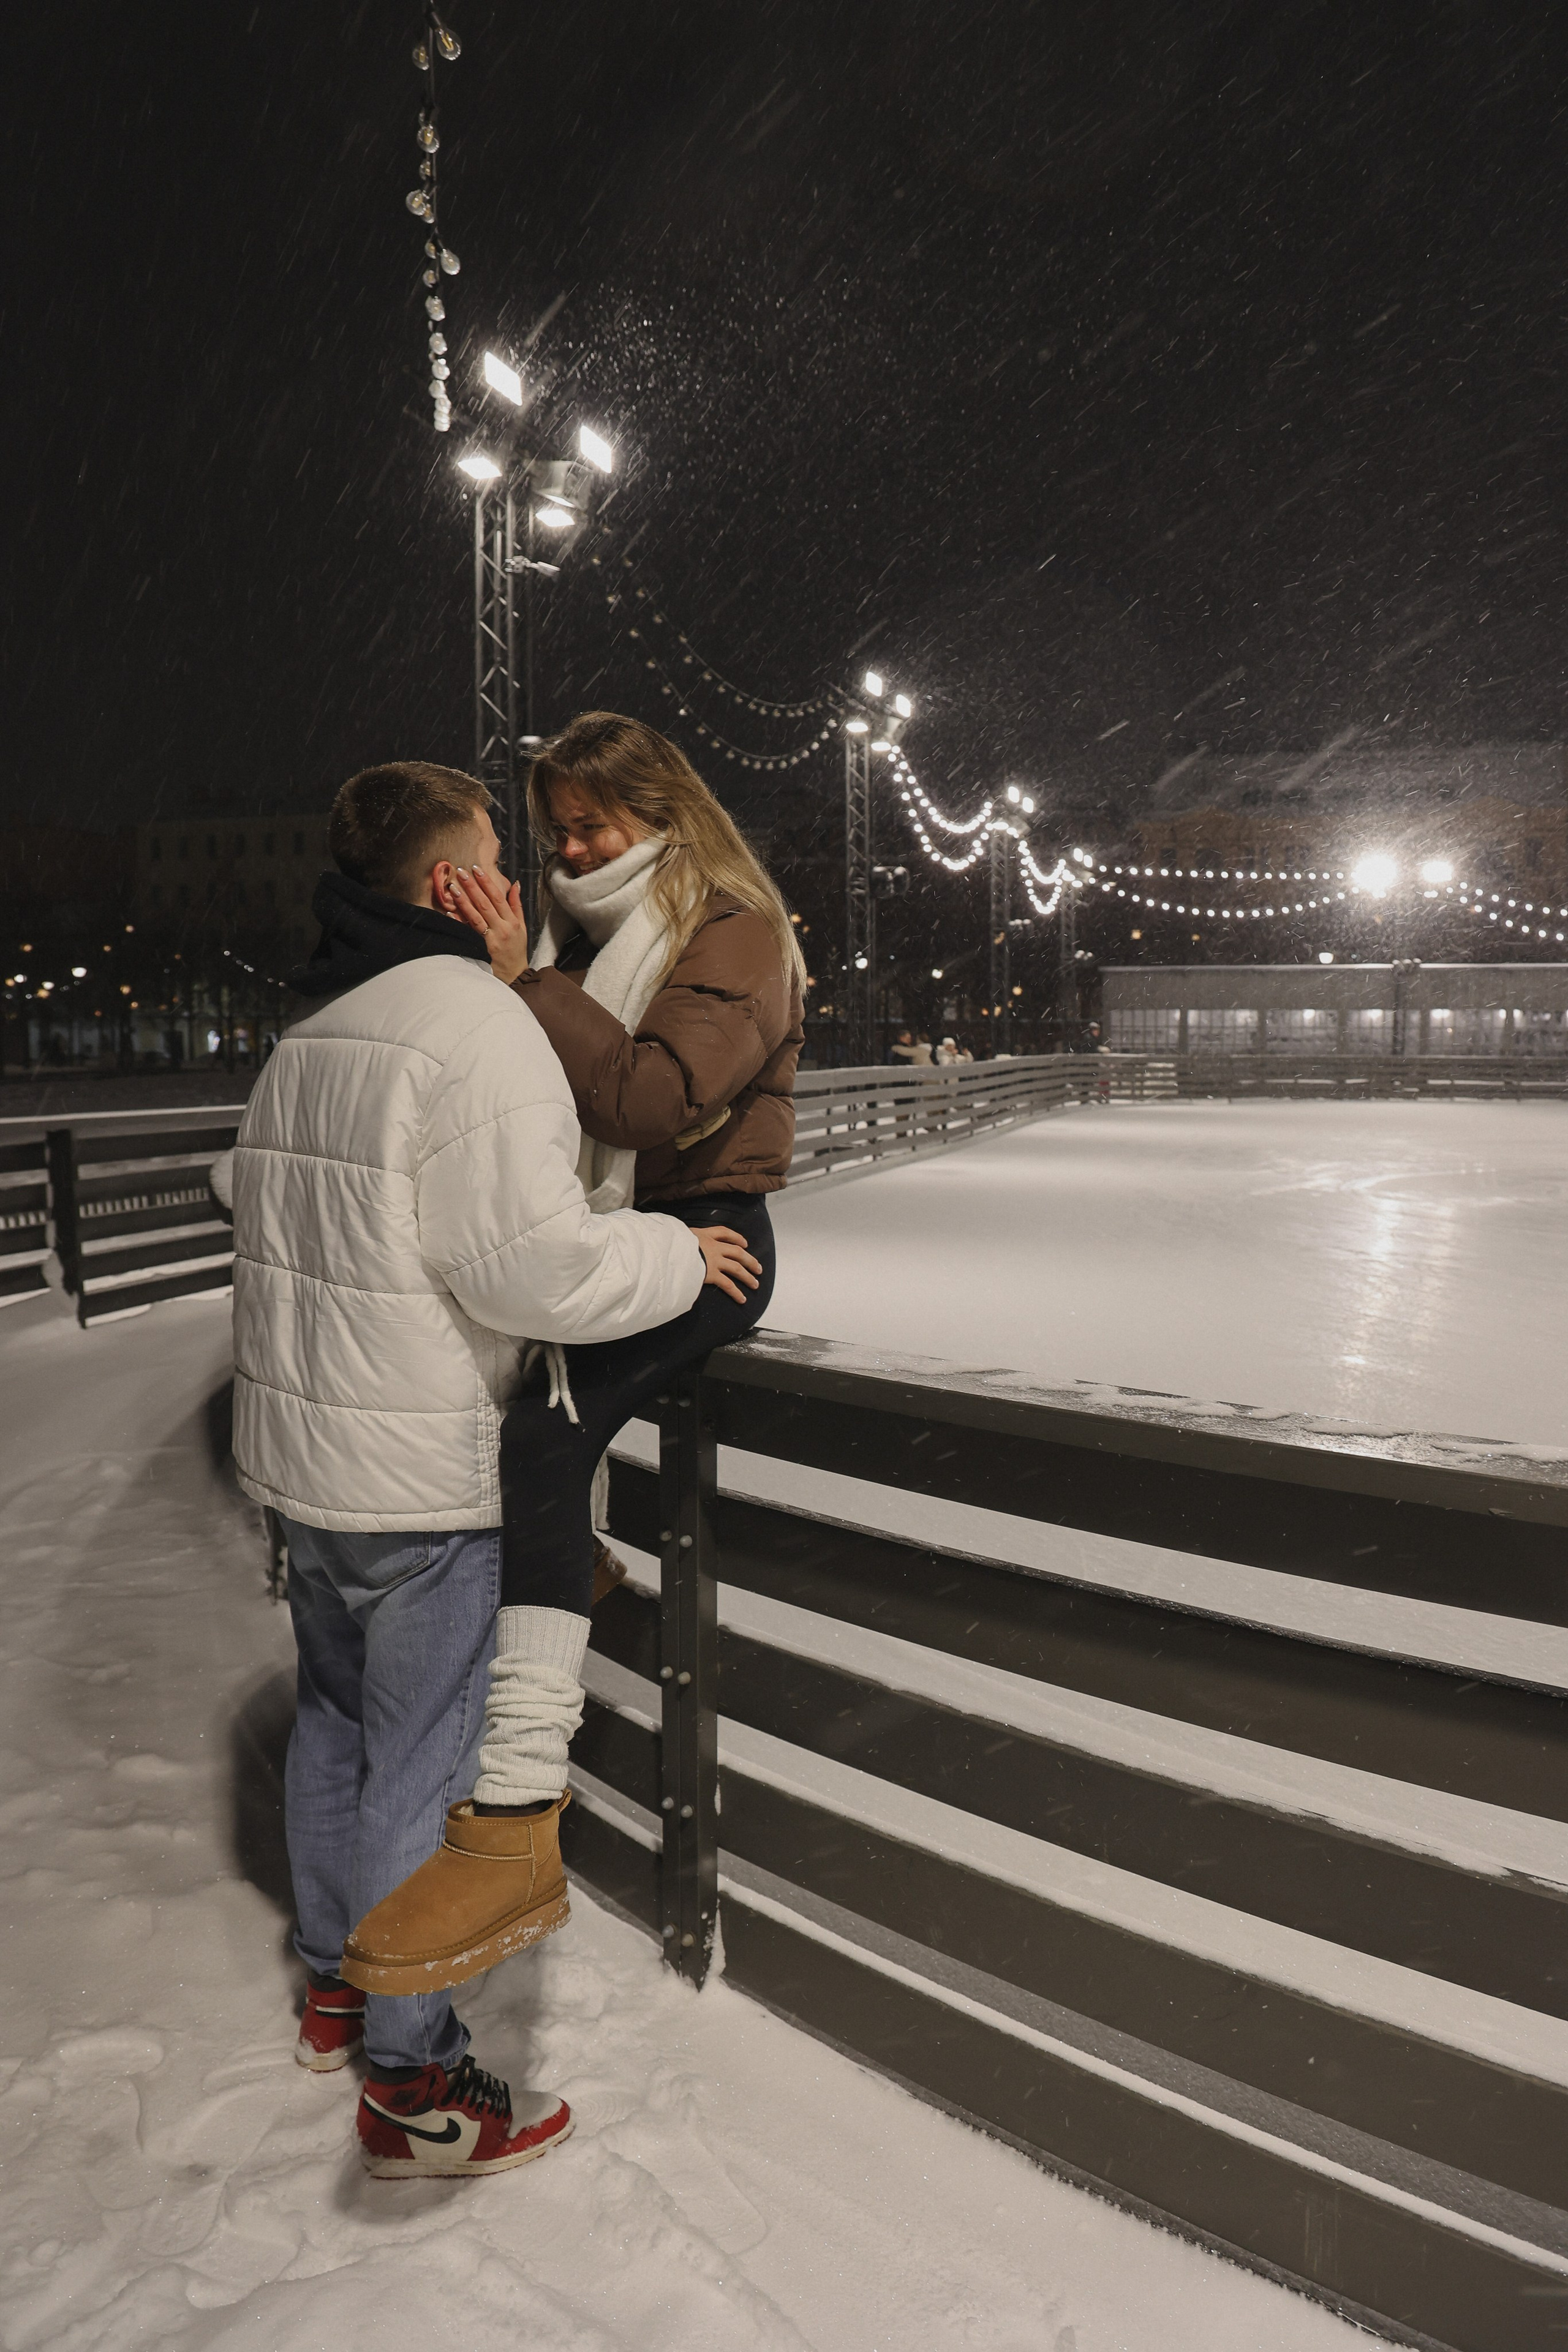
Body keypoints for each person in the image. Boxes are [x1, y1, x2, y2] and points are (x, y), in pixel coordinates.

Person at [230, 759, 758, 2179]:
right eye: (495, 865)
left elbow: (264, 1216)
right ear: (450, 887)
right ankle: (412, 2078)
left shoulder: (316, 1030)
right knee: (422, 1765)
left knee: (335, 1730)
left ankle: (340, 1982)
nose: (521, 889)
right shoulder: (470, 1028)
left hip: (308, 1469)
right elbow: (529, 1269)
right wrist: (671, 1252)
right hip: (420, 1481)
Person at [344, 712, 804, 1989]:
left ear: (662, 810)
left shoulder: (733, 931)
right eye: (555, 828)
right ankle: (579, 1572)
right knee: (523, 1419)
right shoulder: (585, 938)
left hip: (708, 1241)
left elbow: (649, 1102)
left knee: (543, 1437)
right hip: (621, 1237)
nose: (569, 846)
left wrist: (517, 979)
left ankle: (515, 1821)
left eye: (592, 823)